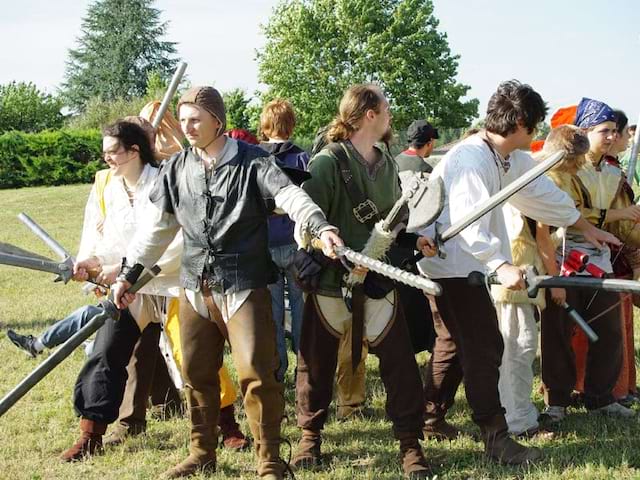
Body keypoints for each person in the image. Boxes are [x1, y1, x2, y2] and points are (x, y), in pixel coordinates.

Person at [111, 86, 343, 480]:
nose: (188, 127)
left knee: (257, 373)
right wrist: (128, 275)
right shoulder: (178, 167)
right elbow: (158, 230)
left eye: (195, 119)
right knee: (198, 374)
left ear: (217, 120)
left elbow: (291, 197)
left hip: (245, 283)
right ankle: (202, 451)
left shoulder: (254, 162)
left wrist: (319, 226)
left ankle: (269, 459)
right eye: (183, 120)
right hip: (193, 286)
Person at [418, 81, 619, 465]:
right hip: (452, 265)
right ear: (522, 123)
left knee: (453, 346)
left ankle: (429, 417)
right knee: (484, 347)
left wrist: (586, 227)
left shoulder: (509, 158)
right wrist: (500, 263)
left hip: (466, 265)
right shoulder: (471, 159)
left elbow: (540, 193)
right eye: (537, 125)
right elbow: (466, 219)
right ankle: (496, 437)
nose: (539, 132)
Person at [293, 83, 436, 478]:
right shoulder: (327, 162)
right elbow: (306, 223)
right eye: (386, 108)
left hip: (377, 279)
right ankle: (309, 437)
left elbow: (390, 222)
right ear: (369, 114)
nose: (391, 116)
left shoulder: (387, 162)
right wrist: (328, 253)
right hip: (330, 281)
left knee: (400, 364)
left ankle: (410, 443)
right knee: (315, 364)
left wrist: (411, 240)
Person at [58, 120, 184, 462]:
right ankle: (90, 434)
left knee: (197, 359)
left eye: (113, 152)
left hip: (171, 281)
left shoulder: (164, 182)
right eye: (105, 153)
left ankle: (226, 427)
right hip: (128, 289)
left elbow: (175, 239)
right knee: (106, 352)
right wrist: (94, 264)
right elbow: (110, 241)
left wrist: (127, 270)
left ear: (134, 150)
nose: (108, 159)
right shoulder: (110, 188)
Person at [538, 98, 637, 423]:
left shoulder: (612, 170)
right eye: (603, 130)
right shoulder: (562, 165)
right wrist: (614, 214)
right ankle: (557, 400)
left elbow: (623, 224)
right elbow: (563, 213)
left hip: (600, 259)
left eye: (613, 131)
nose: (610, 136)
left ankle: (601, 396)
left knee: (609, 332)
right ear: (585, 131)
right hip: (561, 255)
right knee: (558, 332)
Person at [259, 98, 309, 382]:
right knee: (302, 311)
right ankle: (305, 372)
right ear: (291, 125)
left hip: (265, 244)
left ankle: (278, 372)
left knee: (273, 314)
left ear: (265, 126)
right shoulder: (302, 157)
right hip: (295, 242)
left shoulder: (254, 157)